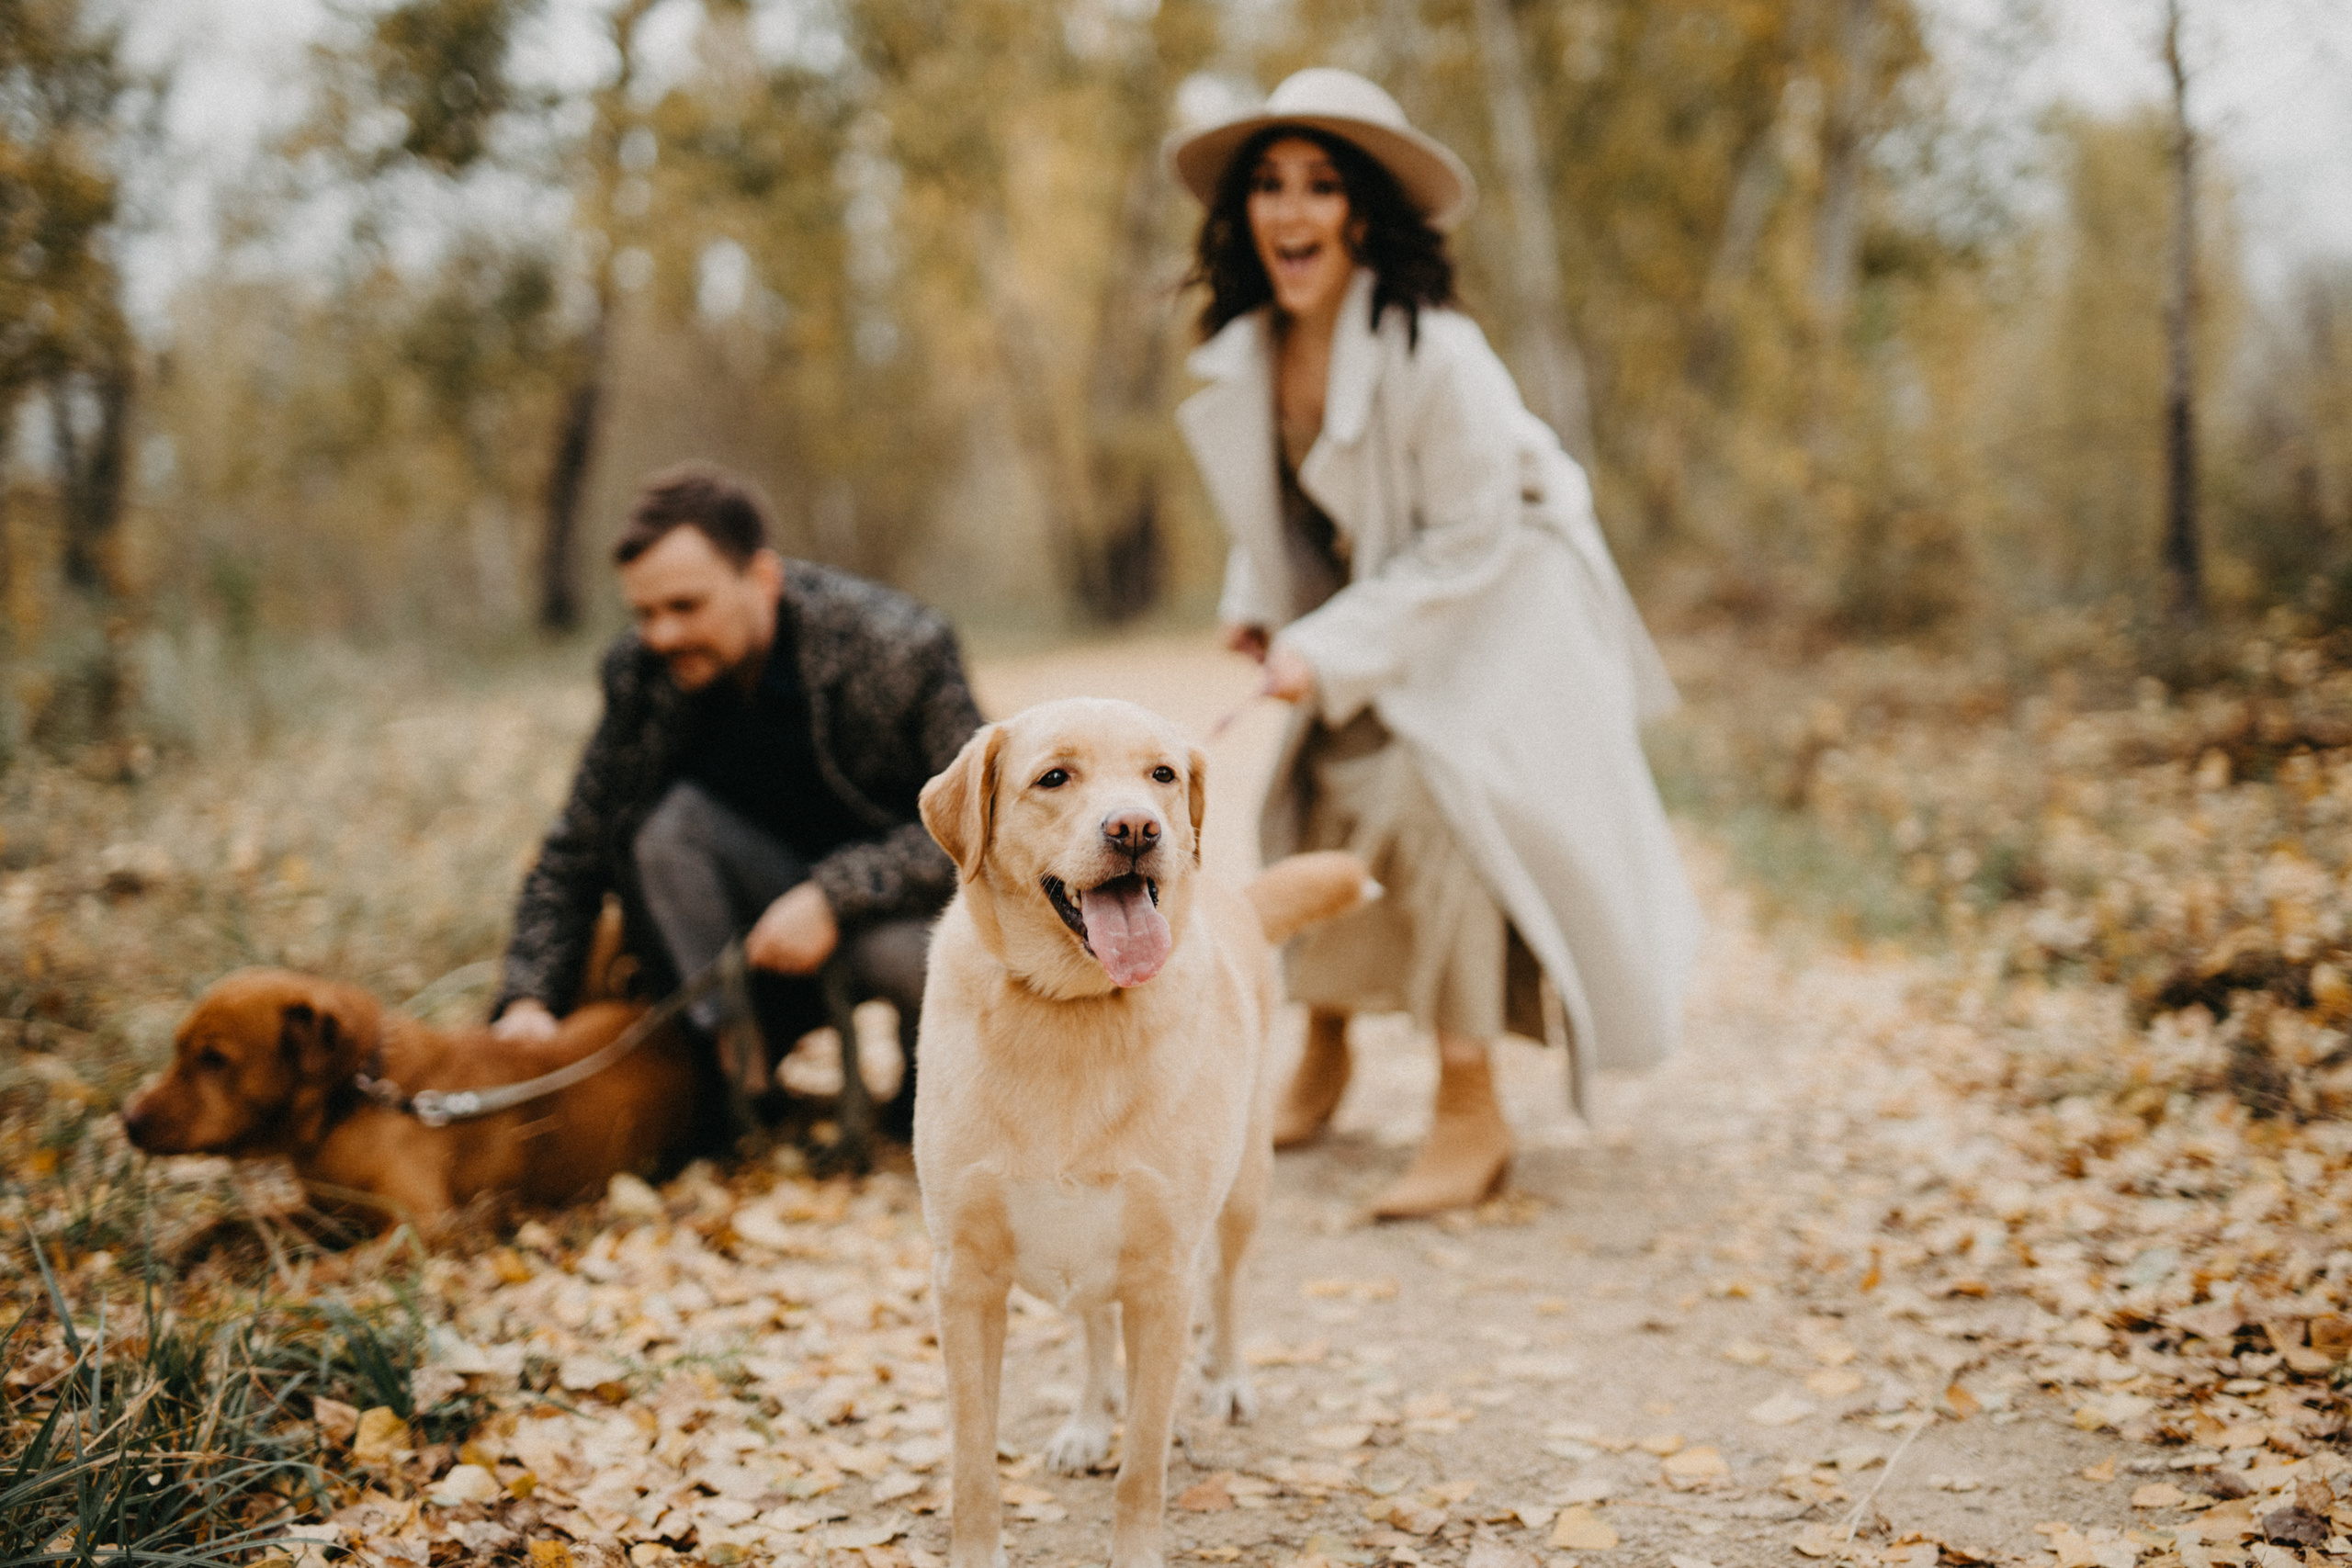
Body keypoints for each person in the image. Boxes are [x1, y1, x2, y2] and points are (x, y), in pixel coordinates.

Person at [1167, 68, 1702, 1216]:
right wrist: (1255, 600)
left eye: (1321, 186)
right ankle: (1323, 1043)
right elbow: (1283, 500)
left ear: (1361, 211)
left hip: (1509, 591)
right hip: (1394, 591)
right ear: (1243, 212)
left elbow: (1468, 537)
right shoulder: (1251, 348)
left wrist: (1327, 646)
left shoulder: (1437, 353)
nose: (1291, 211)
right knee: (1310, 783)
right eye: (1269, 185)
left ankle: (1470, 1099)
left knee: (1433, 793)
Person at [490, 464, 984, 1138]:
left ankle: (934, 1077)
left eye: (686, 607)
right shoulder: (641, 674)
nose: (661, 634)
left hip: (893, 918)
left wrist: (832, 896)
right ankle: (736, 1074)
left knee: (929, 971)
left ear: (763, 579)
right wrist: (528, 998)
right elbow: (577, 846)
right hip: (745, 934)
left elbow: (986, 825)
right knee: (669, 830)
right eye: (644, 613)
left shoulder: (899, 647)